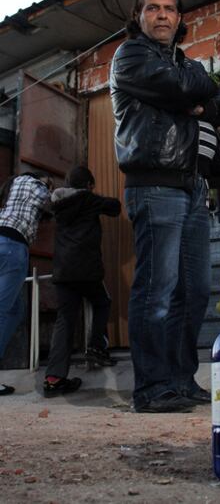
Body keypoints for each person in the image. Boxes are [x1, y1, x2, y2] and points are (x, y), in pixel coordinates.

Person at [110, 0, 220, 413]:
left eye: (169, 9)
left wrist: (199, 98)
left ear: (179, 18)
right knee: (157, 288)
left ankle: (181, 381)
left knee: (194, 291)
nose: (162, 15)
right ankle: (151, 387)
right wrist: (198, 89)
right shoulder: (130, 55)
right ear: (139, 16)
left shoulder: (186, 64)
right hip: (155, 183)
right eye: (153, 8)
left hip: (194, 186)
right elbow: (181, 88)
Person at [43, 166, 121, 398]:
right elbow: (115, 208)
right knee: (102, 301)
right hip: (86, 269)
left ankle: (53, 379)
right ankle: (96, 347)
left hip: (63, 271)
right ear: (87, 184)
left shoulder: (58, 203)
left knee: (65, 320)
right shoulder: (87, 198)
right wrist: (96, 198)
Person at [0, 171, 52, 396]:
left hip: (3, 240)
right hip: (12, 247)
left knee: (15, 311)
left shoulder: (12, 188)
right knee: (3, 311)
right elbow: (50, 201)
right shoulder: (32, 183)